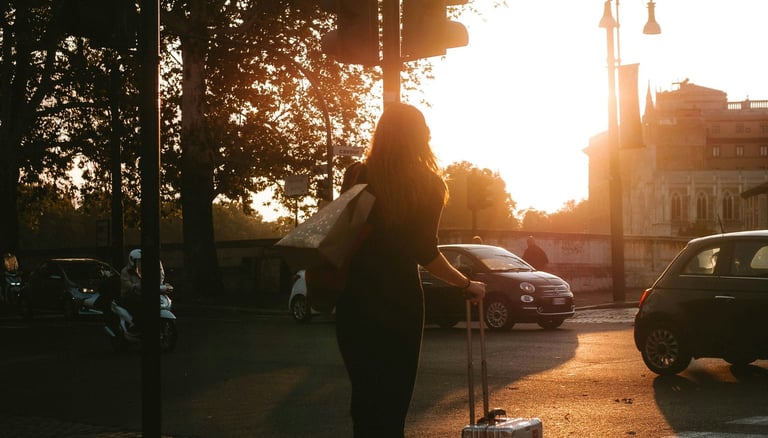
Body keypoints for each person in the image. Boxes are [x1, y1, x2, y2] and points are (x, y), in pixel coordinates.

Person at [335, 102, 486, 437]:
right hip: (398, 305)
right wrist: (466, 284)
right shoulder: (429, 185)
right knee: (392, 406)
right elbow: (425, 253)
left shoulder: (357, 175)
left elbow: (342, 233)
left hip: (355, 301)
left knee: (364, 404)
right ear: (422, 138)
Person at [120, 249, 143, 332]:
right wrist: (137, 286)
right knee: (137, 303)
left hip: (141, 294)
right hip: (128, 296)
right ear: (133, 260)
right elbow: (128, 286)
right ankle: (135, 323)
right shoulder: (126, 271)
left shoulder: (143, 271)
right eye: (139, 260)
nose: (141, 263)